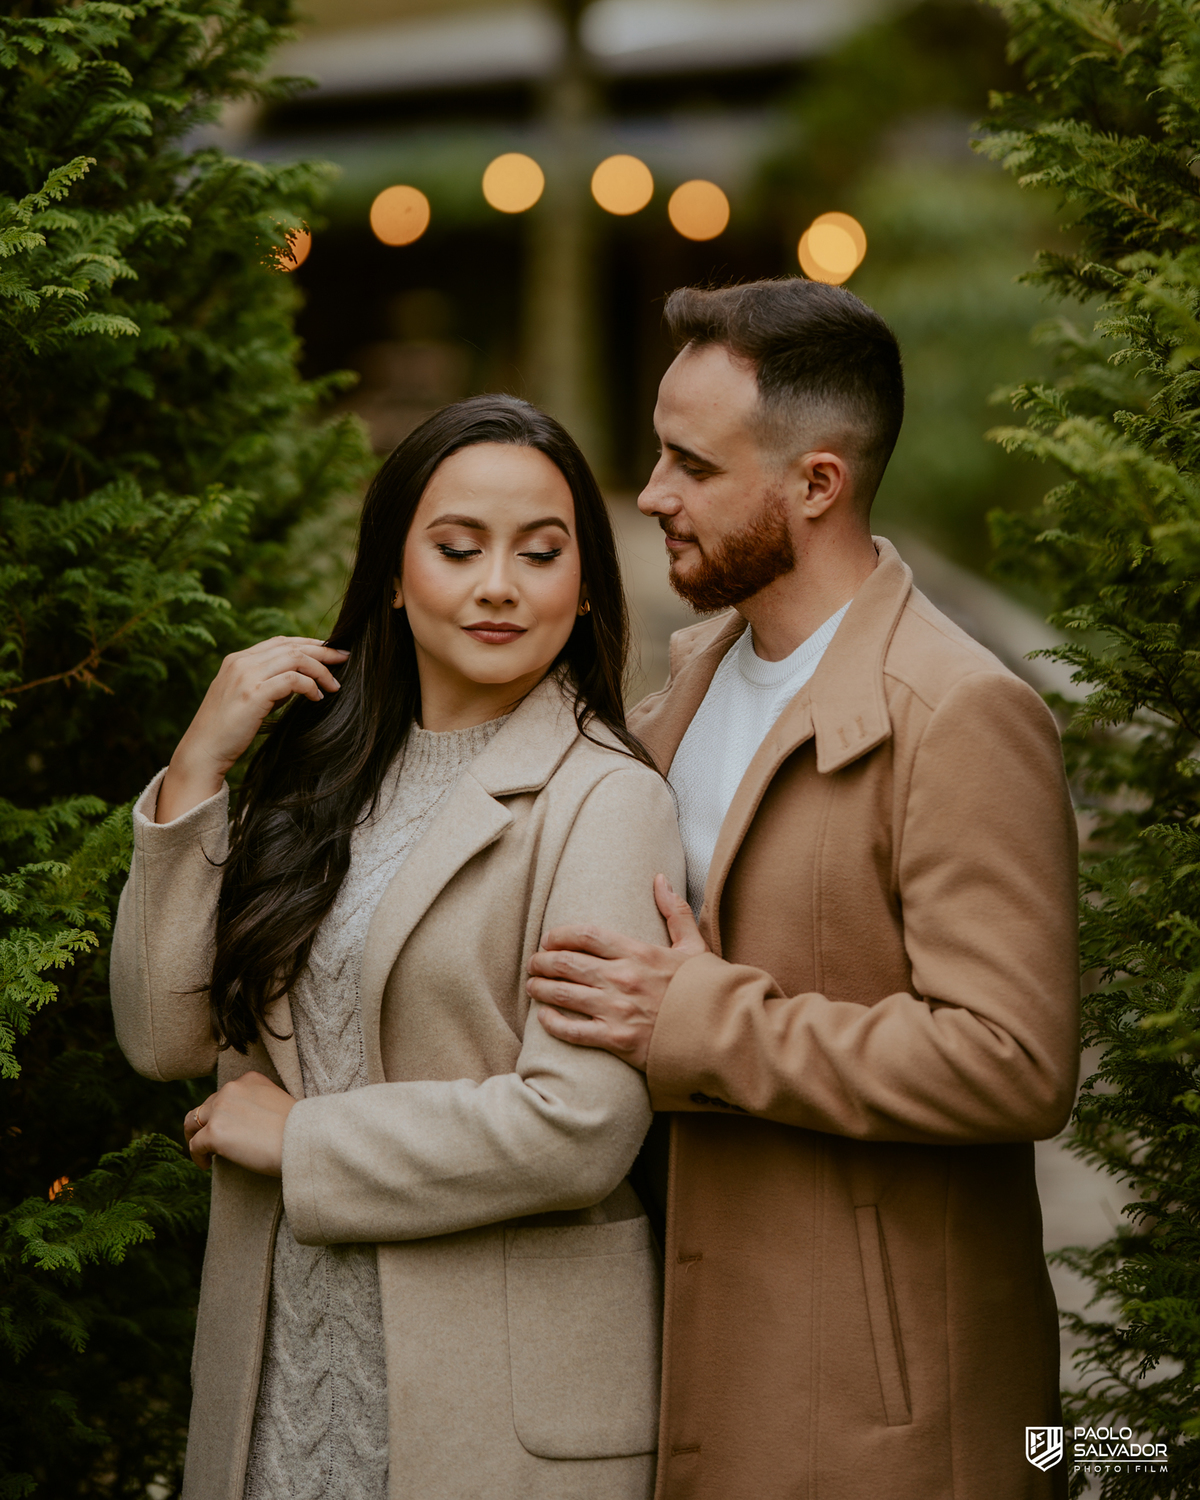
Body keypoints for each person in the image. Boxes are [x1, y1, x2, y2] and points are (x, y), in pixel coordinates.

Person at [528, 279, 1080, 1500]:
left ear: (817, 483)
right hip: (688, 1355)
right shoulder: (696, 675)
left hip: (883, 1420)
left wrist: (698, 1021)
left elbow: (1015, 1059)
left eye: (689, 464)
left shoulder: (964, 715)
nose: (652, 492)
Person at [110, 394, 685, 1500]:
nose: (500, 585)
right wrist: (198, 774)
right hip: (275, 1373)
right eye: (458, 548)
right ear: (392, 572)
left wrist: (308, 1139)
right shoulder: (315, 779)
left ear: (584, 584)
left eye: (542, 551)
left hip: (487, 1413)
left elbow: (580, 1127)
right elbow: (167, 1034)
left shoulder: (606, 800)